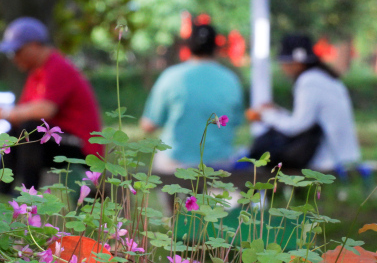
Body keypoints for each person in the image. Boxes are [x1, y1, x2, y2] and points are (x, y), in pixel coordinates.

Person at [0, 17, 103, 194]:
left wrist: (6, 112)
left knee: (30, 130)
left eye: (16, 51)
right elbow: (23, 113)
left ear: (34, 45)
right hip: (58, 139)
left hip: (81, 145)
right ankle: (1, 192)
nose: (14, 58)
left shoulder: (57, 66)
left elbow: (45, 110)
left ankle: (29, 195)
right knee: (14, 134)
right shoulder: (37, 73)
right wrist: (11, 115)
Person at [140, 24, 245, 173]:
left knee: (161, 162)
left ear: (188, 47)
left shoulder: (171, 76)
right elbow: (236, 122)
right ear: (216, 47)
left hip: (175, 164)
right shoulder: (231, 80)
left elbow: (148, 125)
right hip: (219, 165)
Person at [247, 34, 361, 171]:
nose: (283, 67)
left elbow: (298, 126)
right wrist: (278, 112)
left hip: (329, 160)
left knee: (263, 154)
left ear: (296, 63)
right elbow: (308, 119)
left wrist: (266, 115)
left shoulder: (309, 81)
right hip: (345, 155)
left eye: (284, 62)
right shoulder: (324, 77)